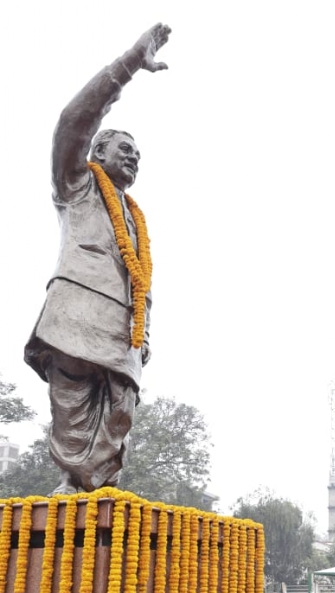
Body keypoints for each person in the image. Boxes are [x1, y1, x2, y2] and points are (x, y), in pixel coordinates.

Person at [24, 24, 171, 495]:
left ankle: (101, 488)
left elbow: (141, 280)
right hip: (77, 316)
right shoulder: (77, 184)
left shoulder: (134, 216)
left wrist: (143, 332)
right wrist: (128, 64)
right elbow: (73, 120)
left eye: (139, 156)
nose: (134, 159)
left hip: (122, 332)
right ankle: (73, 487)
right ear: (96, 151)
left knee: (122, 409)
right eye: (125, 150)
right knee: (70, 407)